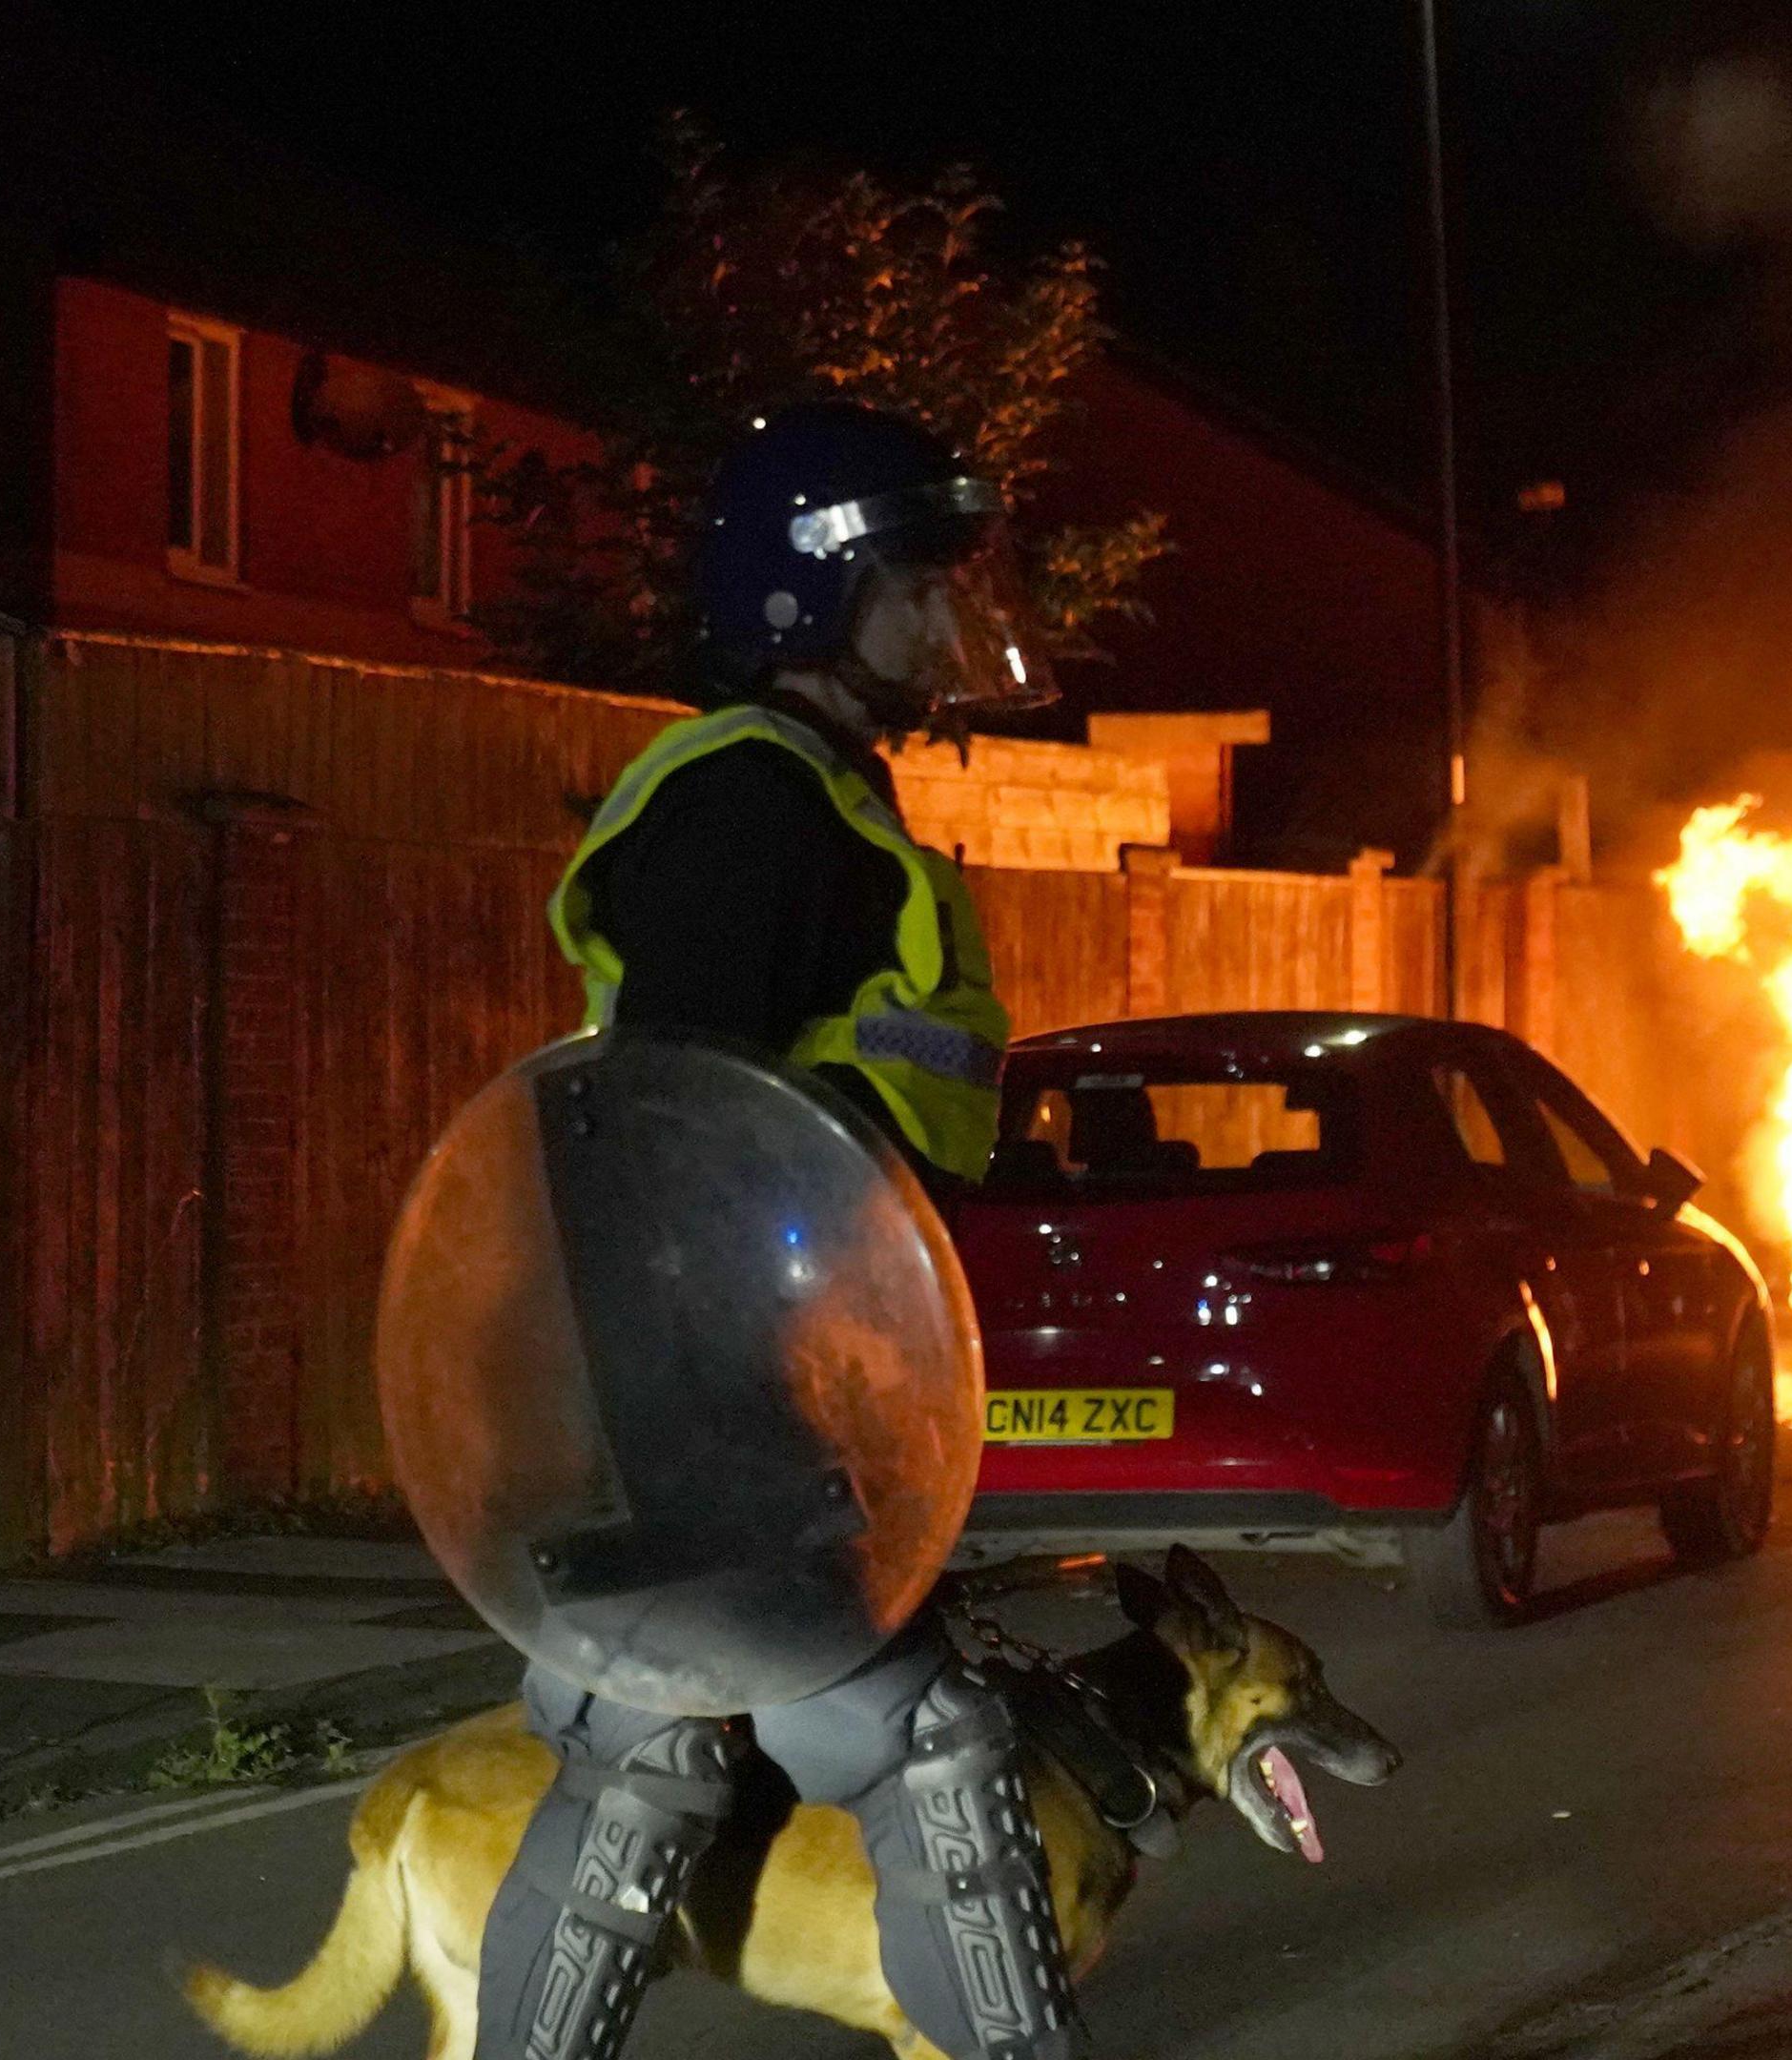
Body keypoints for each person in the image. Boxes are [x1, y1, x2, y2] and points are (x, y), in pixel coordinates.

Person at [476, 401, 1080, 2060]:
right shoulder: (752, 808)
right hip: (713, 1398)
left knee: (647, 1756)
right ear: (815, 596)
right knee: (911, 1740)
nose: (949, 620)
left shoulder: (818, 796)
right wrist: (714, 1431)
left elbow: (829, 1123)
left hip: (768, 1385)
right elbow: (677, 1136)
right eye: (916, 584)